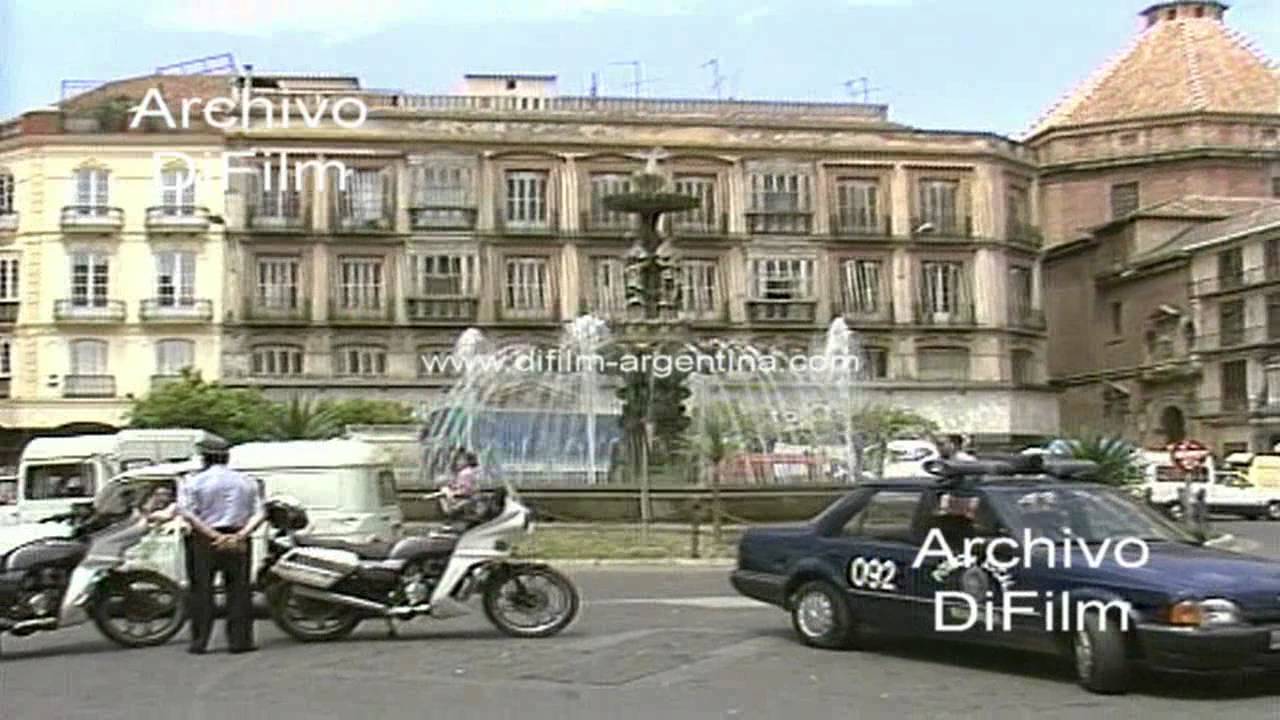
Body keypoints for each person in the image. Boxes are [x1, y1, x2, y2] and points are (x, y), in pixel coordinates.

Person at [175, 437, 264, 655]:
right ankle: (239, 641)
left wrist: (213, 535)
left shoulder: (192, 481)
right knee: (239, 591)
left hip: (204, 540)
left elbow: (187, 512)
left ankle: (200, 641)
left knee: (201, 591)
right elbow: (260, 513)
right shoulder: (247, 481)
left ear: (204, 458)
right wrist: (240, 535)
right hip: (238, 538)